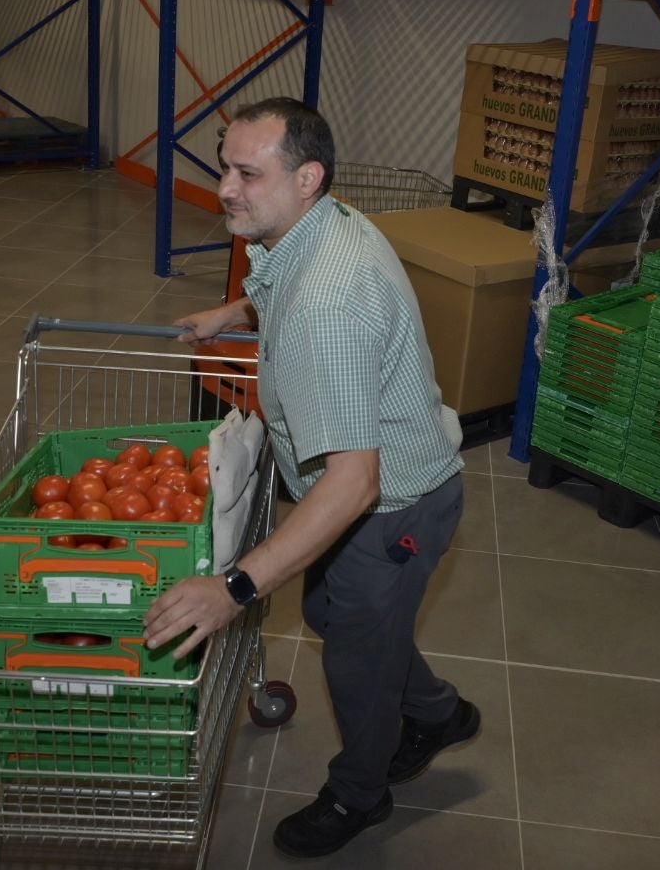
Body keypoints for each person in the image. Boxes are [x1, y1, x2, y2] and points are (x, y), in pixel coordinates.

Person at [144, 97, 480, 859]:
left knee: (355, 656)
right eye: (225, 168)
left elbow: (354, 485)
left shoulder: (329, 301)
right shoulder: (320, 224)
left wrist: (232, 589)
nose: (225, 189)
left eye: (246, 174)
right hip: (389, 486)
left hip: (392, 508)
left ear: (308, 177)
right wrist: (234, 313)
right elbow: (282, 280)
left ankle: (360, 792)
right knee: (338, 615)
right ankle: (438, 713)